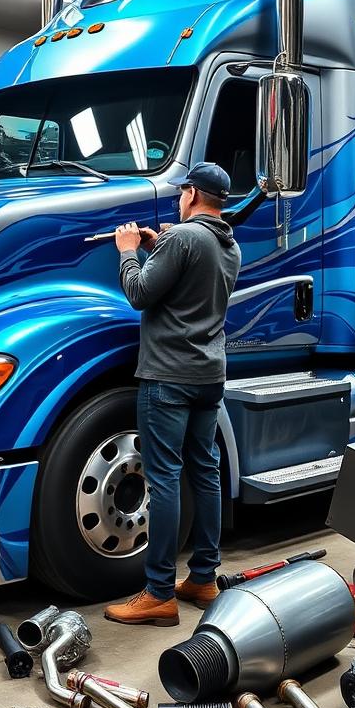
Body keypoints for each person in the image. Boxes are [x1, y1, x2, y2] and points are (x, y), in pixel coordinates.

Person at [104, 162, 242, 627]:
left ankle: (159, 592)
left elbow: (141, 293)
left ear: (191, 194)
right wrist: (158, 244)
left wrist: (128, 251)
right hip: (208, 376)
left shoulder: (185, 237)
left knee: (163, 478)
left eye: (183, 191)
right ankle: (203, 577)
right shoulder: (228, 245)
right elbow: (189, 279)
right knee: (205, 471)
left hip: (169, 376)